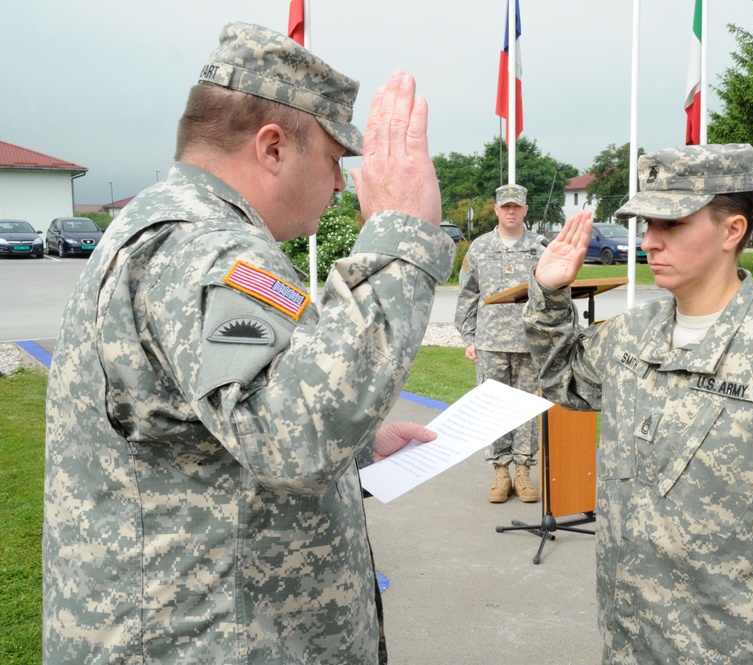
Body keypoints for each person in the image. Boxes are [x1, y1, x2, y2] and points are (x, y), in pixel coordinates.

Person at [42, 22, 455, 664]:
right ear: (271, 148)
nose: (342, 184)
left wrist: (360, 451)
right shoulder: (207, 249)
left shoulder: (176, 230)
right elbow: (292, 435)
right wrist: (401, 240)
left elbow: (229, 414)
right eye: (333, 158)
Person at [522, 144, 753, 663]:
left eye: (670, 224)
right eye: (647, 224)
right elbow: (564, 380)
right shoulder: (632, 335)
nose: (649, 240)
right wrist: (548, 293)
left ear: (731, 230)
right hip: (629, 640)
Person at [455, 183, 545, 503]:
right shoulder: (480, 248)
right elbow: (467, 295)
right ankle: (501, 471)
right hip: (490, 342)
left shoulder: (539, 248)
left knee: (524, 410)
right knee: (493, 409)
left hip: (529, 343)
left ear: (525, 210)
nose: (510, 211)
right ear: (495, 209)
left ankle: (523, 471)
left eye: (516, 206)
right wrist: (468, 337)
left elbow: (553, 294)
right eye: (505, 206)